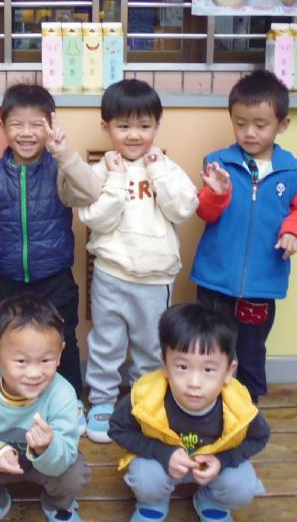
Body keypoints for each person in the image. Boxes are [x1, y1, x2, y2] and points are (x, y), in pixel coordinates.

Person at [77, 79, 199, 443]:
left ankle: (144, 400)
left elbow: (183, 209)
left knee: (150, 346)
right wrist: (115, 180)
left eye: (144, 126)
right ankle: (101, 401)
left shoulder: (166, 167)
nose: (134, 135)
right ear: (106, 127)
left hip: (154, 279)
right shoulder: (100, 171)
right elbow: (94, 219)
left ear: (157, 126)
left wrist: (158, 171)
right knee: (106, 342)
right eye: (124, 125)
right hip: (110, 274)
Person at [0, 83, 101, 412]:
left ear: (51, 125)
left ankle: (69, 405)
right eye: (17, 124)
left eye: (36, 124)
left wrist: (65, 155)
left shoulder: (59, 169)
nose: (26, 133)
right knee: (3, 340)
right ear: (3, 126)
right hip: (8, 280)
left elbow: (91, 192)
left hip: (55, 277)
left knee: (62, 340)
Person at [191, 69, 297, 402]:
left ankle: (247, 408)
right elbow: (205, 212)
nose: (249, 133)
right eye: (240, 123)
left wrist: (293, 231)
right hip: (215, 281)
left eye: (260, 125)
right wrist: (217, 193)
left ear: (282, 125)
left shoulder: (294, 172)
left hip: (261, 286)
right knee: (210, 347)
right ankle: (208, 403)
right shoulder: (218, 164)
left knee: (250, 349)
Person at [109, 302, 269, 522]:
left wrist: (222, 460)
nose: (194, 382)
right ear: (165, 364)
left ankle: (212, 501)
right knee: (145, 478)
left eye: (209, 369)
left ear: (228, 371)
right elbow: (118, 428)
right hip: (162, 463)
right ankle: (153, 502)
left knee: (242, 486)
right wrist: (162, 453)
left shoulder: (238, 406)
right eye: (182, 367)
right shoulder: (146, 397)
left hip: (212, 467)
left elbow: (259, 437)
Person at [0, 294, 90, 522]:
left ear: (59, 354)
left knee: (75, 474)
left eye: (46, 360)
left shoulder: (63, 394)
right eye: (21, 361)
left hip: (45, 465)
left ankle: (56, 504)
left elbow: (66, 451)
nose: (34, 373)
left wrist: (46, 447)